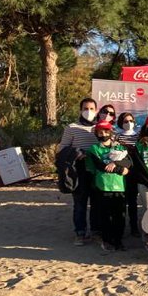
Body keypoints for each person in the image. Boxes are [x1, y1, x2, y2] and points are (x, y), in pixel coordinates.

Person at [58, 97, 100, 245]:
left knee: (97, 203)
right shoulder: (71, 127)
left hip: (97, 170)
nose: (88, 112)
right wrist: (76, 152)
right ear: (80, 110)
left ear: (96, 111)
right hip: (79, 170)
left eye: (91, 109)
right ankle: (80, 233)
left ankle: (96, 231)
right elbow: (61, 148)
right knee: (80, 203)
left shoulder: (101, 127)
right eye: (85, 109)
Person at [85, 120, 132, 251]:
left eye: (106, 131)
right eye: (100, 132)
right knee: (105, 216)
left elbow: (129, 163)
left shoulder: (120, 147)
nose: (103, 134)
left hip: (120, 186)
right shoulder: (93, 149)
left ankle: (118, 241)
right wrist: (119, 167)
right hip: (102, 186)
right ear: (97, 134)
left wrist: (117, 165)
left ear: (111, 132)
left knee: (120, 216)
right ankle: (107, 240)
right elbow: (100, 166)